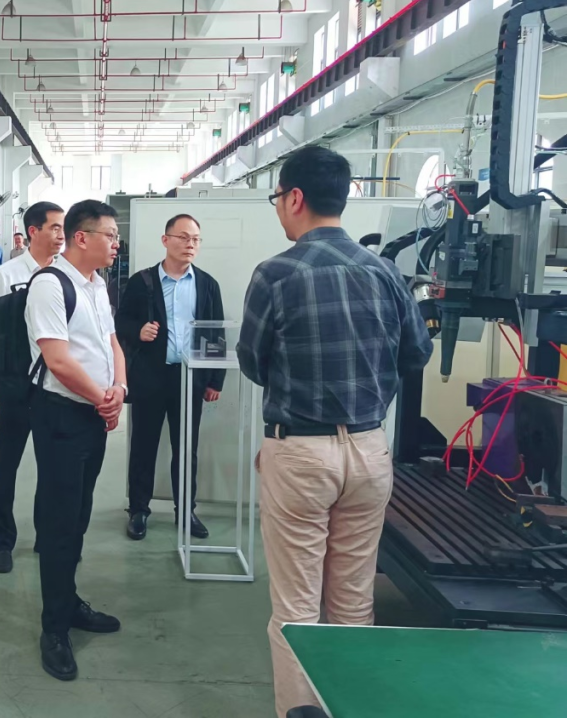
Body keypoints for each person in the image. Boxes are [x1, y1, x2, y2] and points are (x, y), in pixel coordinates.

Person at [236, 146, 433, 718]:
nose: (279, 207)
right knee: (352, 602)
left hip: (300, 452)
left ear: (295, 198)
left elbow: (252, 361)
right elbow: (416, 354)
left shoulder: (276, 273)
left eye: (278, 197)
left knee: (297, 609)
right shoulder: (385, 272)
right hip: (370, 452)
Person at [26, 199, 127, 682]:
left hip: (92, 415)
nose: (116, 244)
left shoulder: (97, 284)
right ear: (82, 237)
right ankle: (54, 628)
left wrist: (119, 389)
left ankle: (68, 602)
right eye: (111, 235)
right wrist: (102, 399)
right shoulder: (50, 284)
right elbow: (58, 360)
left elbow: (111, 343)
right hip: (63, 418)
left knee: (79, 514)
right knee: (59, 523)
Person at [115, 214, 225, 542]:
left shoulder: (207, 284)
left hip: (190, 380)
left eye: (196, 239)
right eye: (183, 237)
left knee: (187, 448)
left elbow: (216, 333)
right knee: (143, 446)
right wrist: (138, 330)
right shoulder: (142, 282)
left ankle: (186, 510)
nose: (190, 244)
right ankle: (138, 510)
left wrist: (215, 380)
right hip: (150, 378)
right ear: (166, 240)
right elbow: (120, 321)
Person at [0, 202, 65, 574]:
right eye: (55, 227)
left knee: (52, 468)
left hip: (56, 388)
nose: (62, 235)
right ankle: (2, 542)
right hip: (16, 389)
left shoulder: (66, 275)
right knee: (6, 467)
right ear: (33, 231)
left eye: (64, 228)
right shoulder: (7, 275)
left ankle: (46, 536)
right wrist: (3, 389)